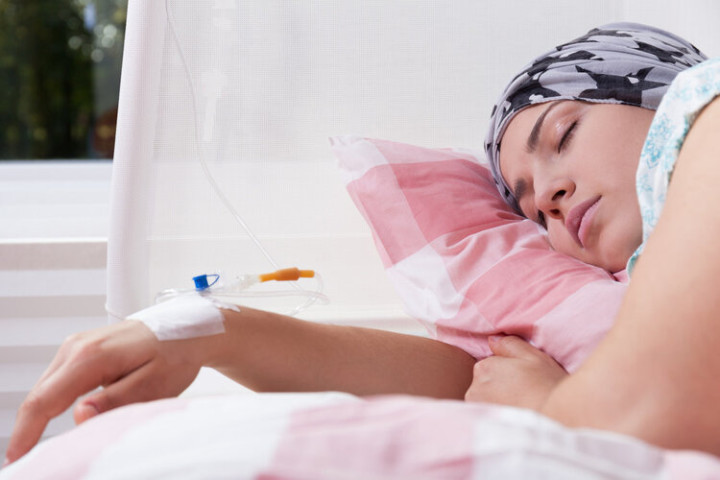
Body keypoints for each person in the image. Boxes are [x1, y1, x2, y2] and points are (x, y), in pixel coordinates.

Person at [465, 23, 720, 456]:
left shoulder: (710, 116)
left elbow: (652, 417)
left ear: (656, 91)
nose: (546, 197)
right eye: (535, 214)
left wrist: (542, 405)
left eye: (564, 134)